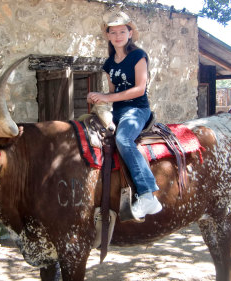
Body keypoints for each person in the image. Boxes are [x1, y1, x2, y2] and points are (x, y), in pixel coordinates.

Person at [87, 11, 161, 219]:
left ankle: (148, 195)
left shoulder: (138, 56)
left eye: (122, 31)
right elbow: (112, 93)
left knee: (123, 139)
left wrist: (107, 97)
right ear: (109, 36)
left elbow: (140, 89)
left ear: (130, 33)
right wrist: (99, 98)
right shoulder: (109, 63)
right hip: (118, 111)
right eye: (113, 32)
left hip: (137, 110)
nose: (118, 35)